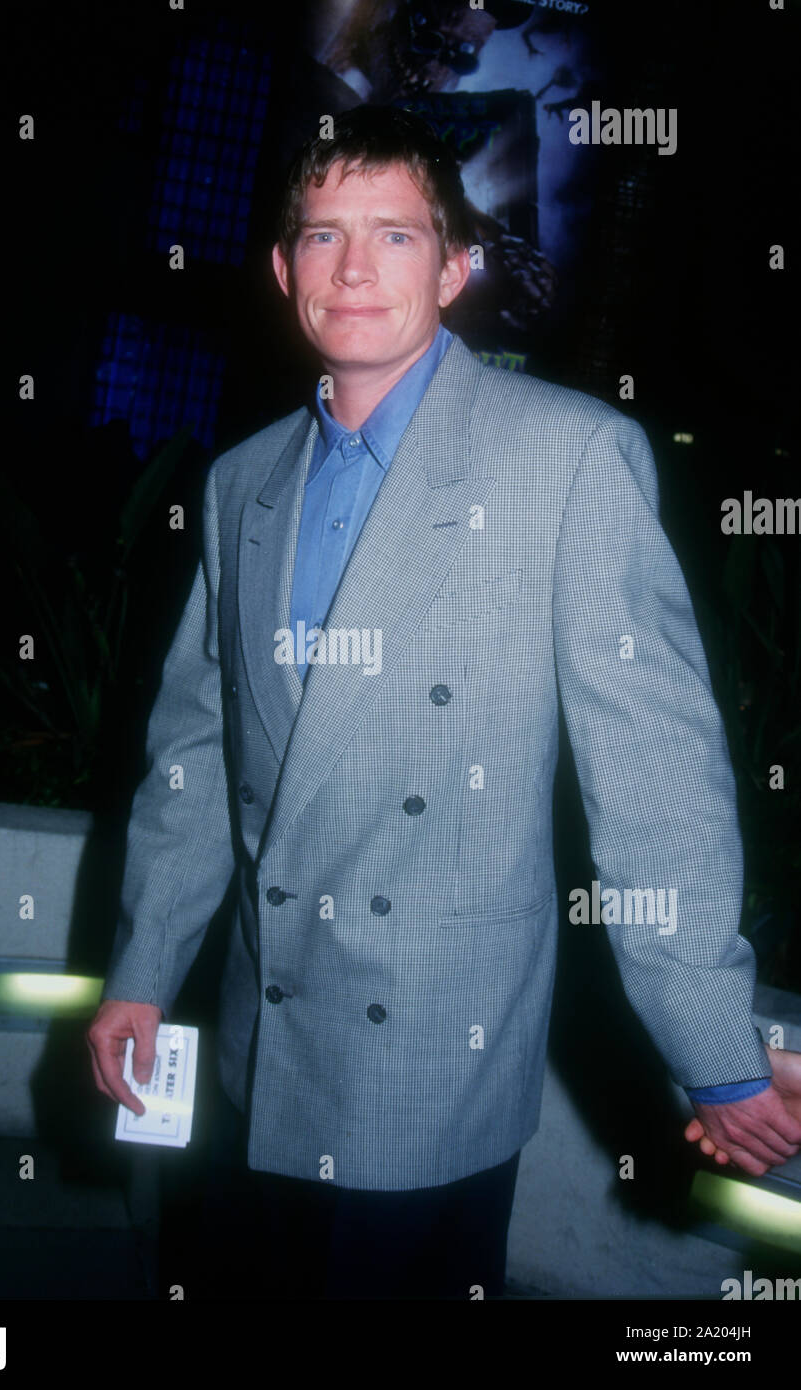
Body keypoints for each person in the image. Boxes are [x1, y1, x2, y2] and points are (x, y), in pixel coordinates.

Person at [86, 105, 801, 1299]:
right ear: (281, 269)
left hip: (428, 1057)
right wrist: (141, 968)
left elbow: (655, 781)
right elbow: (196, 751)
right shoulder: (237, 481)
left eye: (398, 236)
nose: (354, 269)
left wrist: (718, 1053)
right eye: (321, 236)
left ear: (459, 266)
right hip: (264, 1045)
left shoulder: (568, 458)